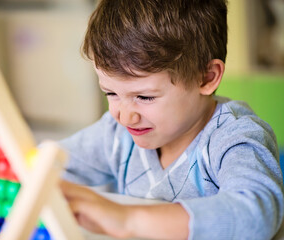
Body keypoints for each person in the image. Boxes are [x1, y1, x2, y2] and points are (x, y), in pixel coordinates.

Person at [58, 0, 284, 239]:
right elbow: (50, 163)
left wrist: (127, 219)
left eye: (144, 97)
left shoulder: (234, 139)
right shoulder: (116, 133)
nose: (124, 116)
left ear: (206, 78)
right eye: (111, 93)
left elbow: (256, 215)